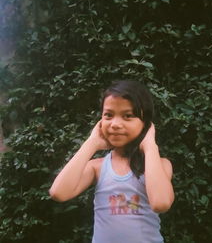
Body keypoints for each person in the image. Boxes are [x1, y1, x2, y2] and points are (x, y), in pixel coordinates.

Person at [49, 80, 175, 243]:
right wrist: (91, 143)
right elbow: (58, 192)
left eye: (128, 116)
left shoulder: (160, 165)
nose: (115, 124)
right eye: (108, 115)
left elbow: (161, 203)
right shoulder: (98, 166)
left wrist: (150, 146)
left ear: (145, 123)